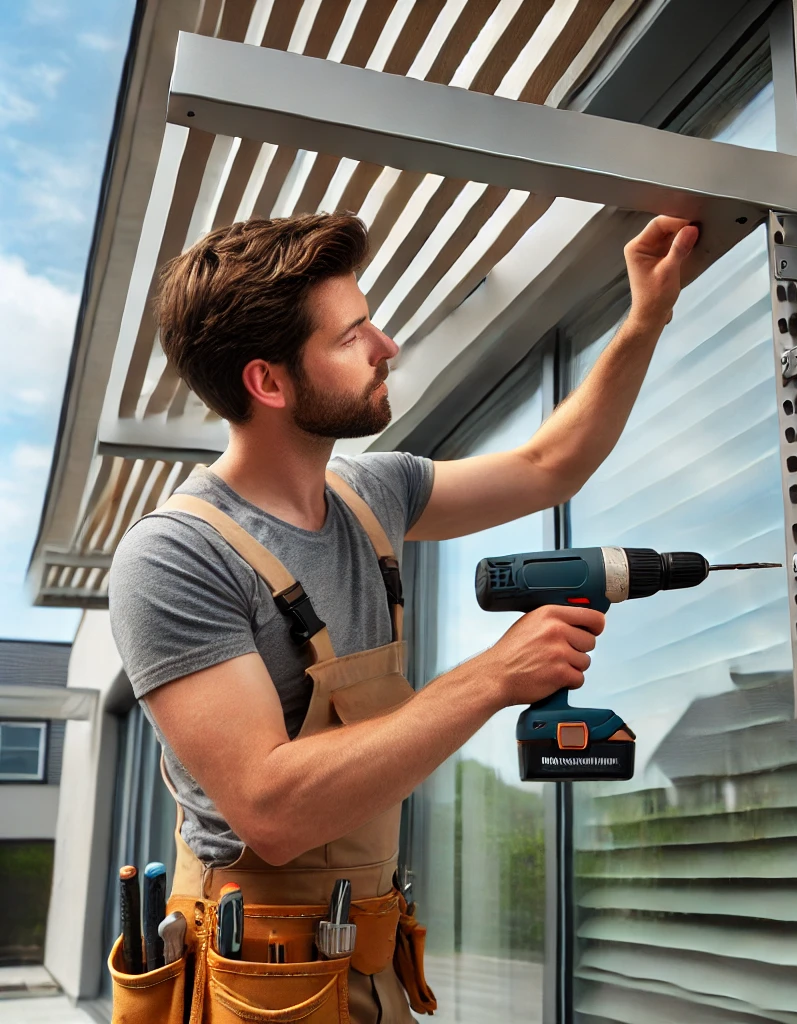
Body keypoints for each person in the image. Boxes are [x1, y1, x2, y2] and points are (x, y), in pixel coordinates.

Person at [108, 211, 698, 1021]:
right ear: (269, 383)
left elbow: (549, 463)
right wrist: (493, 677)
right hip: (260, 984)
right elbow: (270, 811)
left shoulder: (372, 492)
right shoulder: (177, 557)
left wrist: (646, 317)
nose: (386, 346)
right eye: (352, 337)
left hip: (371, 959)